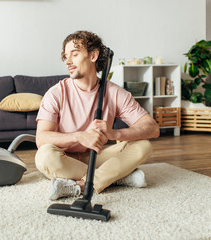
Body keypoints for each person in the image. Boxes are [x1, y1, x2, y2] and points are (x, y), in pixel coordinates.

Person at [35, 31, 160, 200]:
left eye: (75, 54)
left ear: (93, 55)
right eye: (66, 56)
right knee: (44, 155)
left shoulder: (114, 92)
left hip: (99, 156)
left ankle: (82, 183)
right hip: (65, 158)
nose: (68, 62)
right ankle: (115, 177)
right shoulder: (56, 93)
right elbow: (41, 138)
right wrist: (79, 137)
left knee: (143, 145)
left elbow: (152, 128)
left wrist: (115, 133)